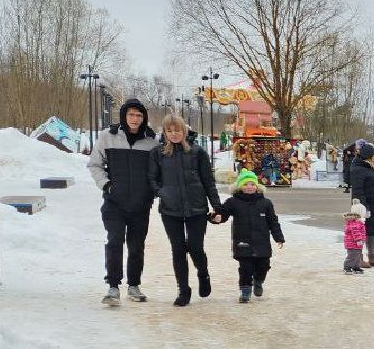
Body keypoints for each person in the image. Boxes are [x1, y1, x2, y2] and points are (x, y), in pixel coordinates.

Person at [88, 97, 159, 305]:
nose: (135, 119)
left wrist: (151, 193)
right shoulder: (107, 137)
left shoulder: (152, 142)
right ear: (124, 116)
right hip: (114, 203)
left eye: (138, 115)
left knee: (136, 246)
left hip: (140, 204)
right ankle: (112, 287)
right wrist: (107, 185)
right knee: (115, 241)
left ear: (143, 117)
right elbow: (94, 165)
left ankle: (134, 285)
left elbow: (158, 172)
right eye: (131, 114)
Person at [149, 113, 223, 307]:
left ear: (184, 130)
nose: (174, 134)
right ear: (164, 132)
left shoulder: (197, 153)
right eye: (169, 130)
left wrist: (217, 206)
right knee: (178, 249)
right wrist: (162, 192)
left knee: (196, 248)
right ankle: (183, 290)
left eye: (177, 130)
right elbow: (152, 179)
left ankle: (203, 273)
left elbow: (208, 181)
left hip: (197, 207)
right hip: (170, 210)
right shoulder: (158, 153)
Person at [211, 169, 285, 302]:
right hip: (243, 241)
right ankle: (245, 291)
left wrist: (278, 237)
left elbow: (273, 222)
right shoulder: (233, 202)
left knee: (263, 265)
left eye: (252, 184)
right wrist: (216, 218)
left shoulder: (266, 203)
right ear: (240, 186)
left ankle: (258, 280)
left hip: (262, 243)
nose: (249, 187)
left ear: (257, 186)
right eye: (245, 184)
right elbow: (222, 214)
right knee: (245, 268)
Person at [343, 202, 368, 273]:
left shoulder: (359, 222)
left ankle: (356, 267)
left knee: (358, 255)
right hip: (353, 243)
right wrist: (359, 240)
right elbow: (356, 232)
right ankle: (347, 266)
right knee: (352, 255)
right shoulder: (355, 223)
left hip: (357, 243)